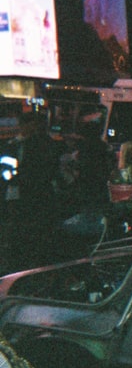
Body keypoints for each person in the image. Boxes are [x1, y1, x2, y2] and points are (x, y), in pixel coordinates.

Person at [2, 110, 64, 270]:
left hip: (31, 192)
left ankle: (27, 258)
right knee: (23, 225)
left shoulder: (38, 143)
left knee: (30, 226)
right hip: (23, 192)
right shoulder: (14, 145)